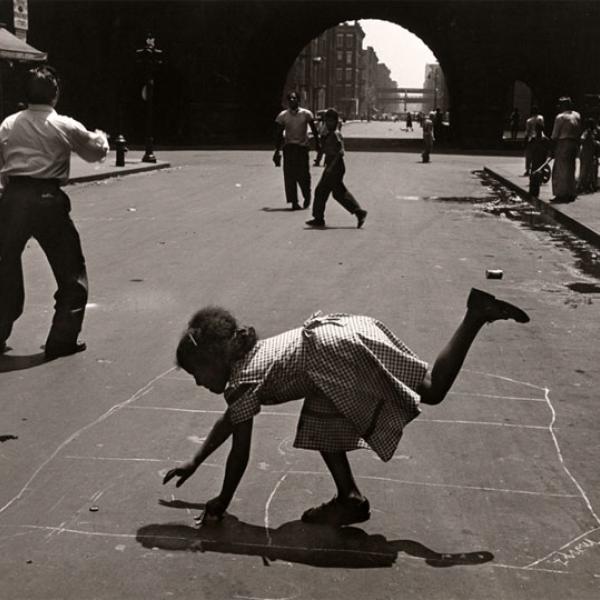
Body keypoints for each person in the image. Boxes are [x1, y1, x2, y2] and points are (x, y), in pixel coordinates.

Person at [163, 288, 530, 527]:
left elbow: (240, 451)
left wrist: (222, 501)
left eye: (198, 372)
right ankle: (349, 498)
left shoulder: (243, 381)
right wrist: (196, 460)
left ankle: (475, 315)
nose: (198, 382)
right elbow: (232, 418)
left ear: (216, 358)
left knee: (431, 391)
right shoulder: (249, 361)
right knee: (322, 420)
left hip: (335, 353)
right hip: (345, 330)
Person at [0, 66, 108, 358]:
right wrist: (101, 137)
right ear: (55, 94)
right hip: (48, 198)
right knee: (70, 272)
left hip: (13, 198)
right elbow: (95, 152)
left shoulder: (8, 124)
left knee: (4, 266)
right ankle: (61, 339)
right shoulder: (63, 124)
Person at [305, 108, 367, 229]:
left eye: (331, 121)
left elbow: (340, 152)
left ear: (335, 121)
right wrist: (319, 160)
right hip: (332, 166)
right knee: (335, 192)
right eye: (326, 120)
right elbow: (324, 149)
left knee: (324, 191)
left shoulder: (336, 133)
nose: (328, 123)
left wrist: (330, 167)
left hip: (335, 166)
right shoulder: (329, 133)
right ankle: (358, 212)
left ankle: (320, 218)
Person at [273, 92, 321, 210]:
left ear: (298, 101)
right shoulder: (283, 116)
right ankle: (294, 201)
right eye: (290, 99)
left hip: (302, 148)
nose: (292, 101)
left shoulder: (306, 114)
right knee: (290, 176)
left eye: (294, 98)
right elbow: (279, 134)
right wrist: (277, 150)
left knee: (304, 175)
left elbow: (314, 130)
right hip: (289, 147)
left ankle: (307, 195)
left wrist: (318, 144)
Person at [550, 96, 581, 203]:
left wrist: (552, 150)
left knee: (560, 170)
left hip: (563, 143)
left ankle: (561, 194)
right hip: (574, 143)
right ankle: (571, 192)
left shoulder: (560, 117)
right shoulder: (577, 115)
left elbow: (555, 135)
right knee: (570, 168)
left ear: (563, 106)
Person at [528, 122, 551, 197]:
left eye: (538, 129)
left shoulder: (545, 140)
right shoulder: (533, 139)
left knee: (537, 181)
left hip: (541, 164)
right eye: (536, 129)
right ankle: (533, 196)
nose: (537, 131)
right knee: (533, 181)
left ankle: (534, 197)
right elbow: (530, 152)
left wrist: (546, 164)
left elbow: (549, 153)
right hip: (535, 163)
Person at [577, 117, 599, 194]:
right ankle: (580, 186)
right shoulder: (587, 132)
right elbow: (582, 139)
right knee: (584, 170)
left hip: (591, 153)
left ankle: (589, 186)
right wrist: (591, 142)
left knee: (591, 170)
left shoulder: (594, 132)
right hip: (586, 153)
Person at [523, 106, 545, 176]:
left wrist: (525, 141)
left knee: (528, 155)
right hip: (540, 138)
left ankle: (527, 170)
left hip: (532, 138)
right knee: (539, 155)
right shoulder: (541, 118)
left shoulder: (529, 120)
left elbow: (527, 131)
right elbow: (542, 127)